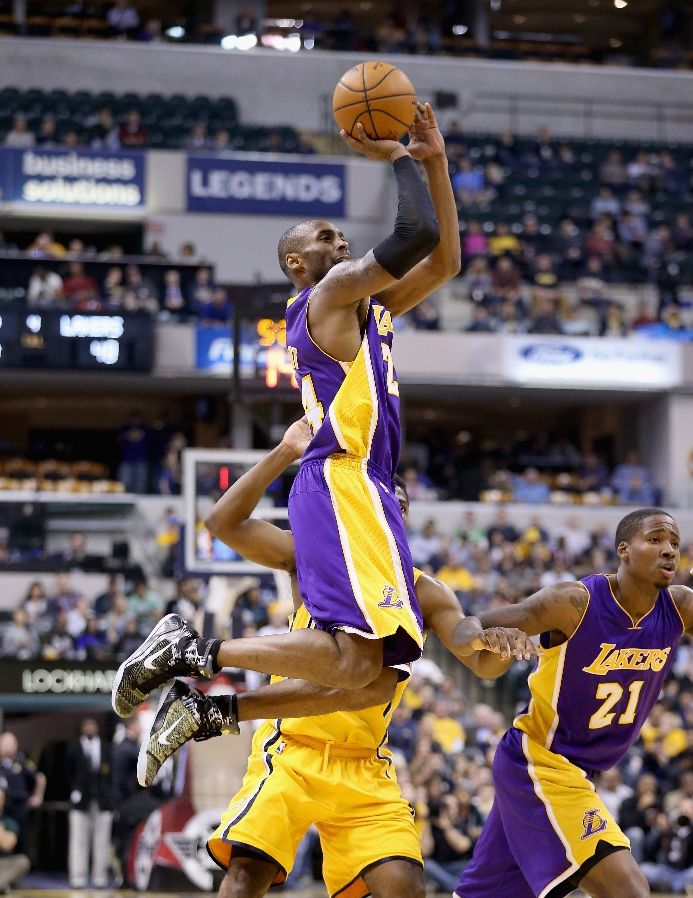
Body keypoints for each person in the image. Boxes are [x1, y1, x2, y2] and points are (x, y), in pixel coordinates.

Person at [111, 102, 462, 716]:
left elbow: (446, 262)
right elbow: (416, 237)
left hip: (362, 483)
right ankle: (194, 652)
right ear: (298, 263)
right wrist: (401, 157)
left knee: (365, 672)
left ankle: (206, 697)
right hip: (343, 479)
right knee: (355, 661)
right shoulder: (326, 295)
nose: (341, 240)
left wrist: (436, 165)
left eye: (340, 235)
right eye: (326, 237)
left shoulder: (358, 312)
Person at [135, 418, 535, 898]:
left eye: (400, 511)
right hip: (293, 751)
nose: (392, 518)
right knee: (245, 877)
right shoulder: (311, 556)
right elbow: (222, 523)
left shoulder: (423, 588)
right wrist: (284, 451)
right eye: (385, 505)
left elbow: (475, 652)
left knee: (405, 886)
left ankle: (209, 704)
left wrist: (495, 640)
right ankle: (198, 669)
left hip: (364, 762)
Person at [455, 507, 690, 898]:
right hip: (540, 761)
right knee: (629, 892)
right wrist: (487, 638)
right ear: (624, 550)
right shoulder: (574, 602)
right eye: (655, 540)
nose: (669, 551)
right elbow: (467, 627)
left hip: (577, 771)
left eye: (675, 544)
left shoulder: (679, 608)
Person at [65, 718, 114, 889]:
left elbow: (112, 774)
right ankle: (77, 878)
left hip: (102, 800)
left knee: (102, 840)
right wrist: (75, 791)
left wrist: (110, 797)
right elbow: (68, 772)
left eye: (92, 725)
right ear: (81, 729)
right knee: (78, 840)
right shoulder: (74, 748)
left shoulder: (106, 747)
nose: (89, 728)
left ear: (97, 728)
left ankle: (99, 878)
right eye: (86, 726)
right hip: (81, 801)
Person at [0, 787, 30, 893]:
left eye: (1, 799)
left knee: (23, 861)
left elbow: (6, 845)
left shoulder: (9, 822)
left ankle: (1, 884)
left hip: (3, 864)